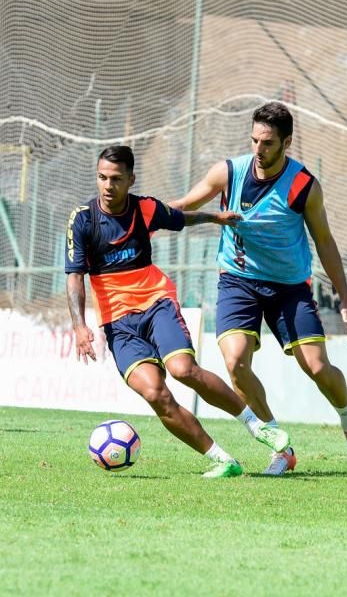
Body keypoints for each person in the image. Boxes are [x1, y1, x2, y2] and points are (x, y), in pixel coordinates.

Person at [171, 101, 347, 475]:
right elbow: (183, 205)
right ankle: (280, 446)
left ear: (287, 142)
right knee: (235, 363)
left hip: (289, 288)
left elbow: (325, 241)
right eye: (254, 140)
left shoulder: (303, 185)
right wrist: (141, 218)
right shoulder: (230, 172)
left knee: (316, 367)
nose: (258, 150)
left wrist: (345, 298)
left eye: (267, 143)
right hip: (238, 280)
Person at [65, 145, 291, 479]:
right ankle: (221, 459)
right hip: (118, 322)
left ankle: (258, 426)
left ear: (130, 179)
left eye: (115, 179)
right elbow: (74, 277)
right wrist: (79, 325)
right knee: (156, 393)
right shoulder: (83, 220)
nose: (108, 186)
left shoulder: (145, 208)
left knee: (183, 369)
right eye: (102, 178)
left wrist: (215, 217)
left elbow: (181, 217)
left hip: (156, 303)